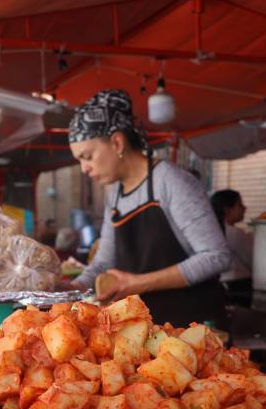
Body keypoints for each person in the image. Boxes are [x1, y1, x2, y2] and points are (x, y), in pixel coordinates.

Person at [68, 89, 230, 327]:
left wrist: (140, 283)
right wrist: (70, 288)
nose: (84, 168)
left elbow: (216, 256)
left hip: (194, 328)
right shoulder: (115, 195)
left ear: (116, 142)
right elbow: (103, 262)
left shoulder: (171, 181)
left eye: (88, 156)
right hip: (149, 328)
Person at [210, 189, 254, 306]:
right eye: (240, 205)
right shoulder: (235, 233)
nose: (245, 208)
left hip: (222, 286)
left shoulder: (212, 230)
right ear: (227, 209)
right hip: (239, 287)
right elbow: (253, 260)